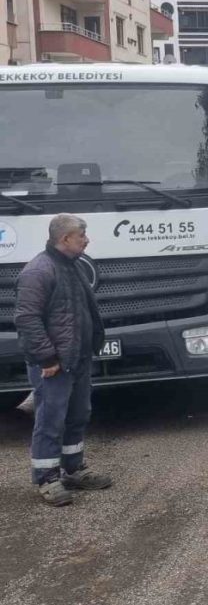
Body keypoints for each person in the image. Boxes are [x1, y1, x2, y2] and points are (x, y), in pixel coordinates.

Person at [15, 214, 111, 507]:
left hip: (77, 359)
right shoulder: (38, 271)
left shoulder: (72, 266)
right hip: (54, 363)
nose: (87, 240)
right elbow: (27, 318)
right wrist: (47, 358)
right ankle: (46, 478)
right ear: (65, 238)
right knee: (50, 420)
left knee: (78, 414)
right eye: (82, 235)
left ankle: (73, 469)